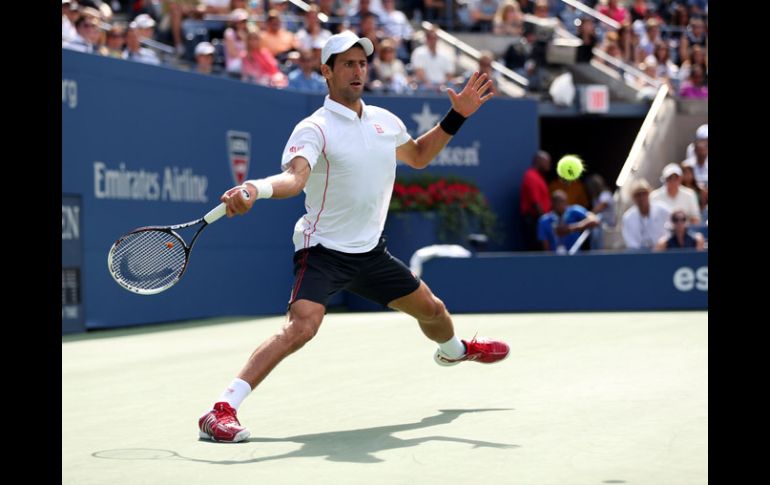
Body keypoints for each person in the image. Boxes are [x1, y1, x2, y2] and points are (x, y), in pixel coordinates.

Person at [198, 31, 508, 443]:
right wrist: (256, 188)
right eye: (347, 64)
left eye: (362, 63)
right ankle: (220, 410)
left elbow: (418, 156)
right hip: (322, 250)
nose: (358, 70)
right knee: (302, 327)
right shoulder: (315, 127)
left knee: (433, 310)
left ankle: (454, 351)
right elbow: (295, 178)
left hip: (370, 253)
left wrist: (457, 117)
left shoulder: (384, 121)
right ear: (327, 72)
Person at [519, 150, 551, 251]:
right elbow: (535, 202)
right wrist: (544, 221)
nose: (549, 164)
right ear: (539, 161)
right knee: (537, 249)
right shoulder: (531, 176)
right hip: (534, 220)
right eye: (547, 161)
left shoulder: (538, 177)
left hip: (538, 220)